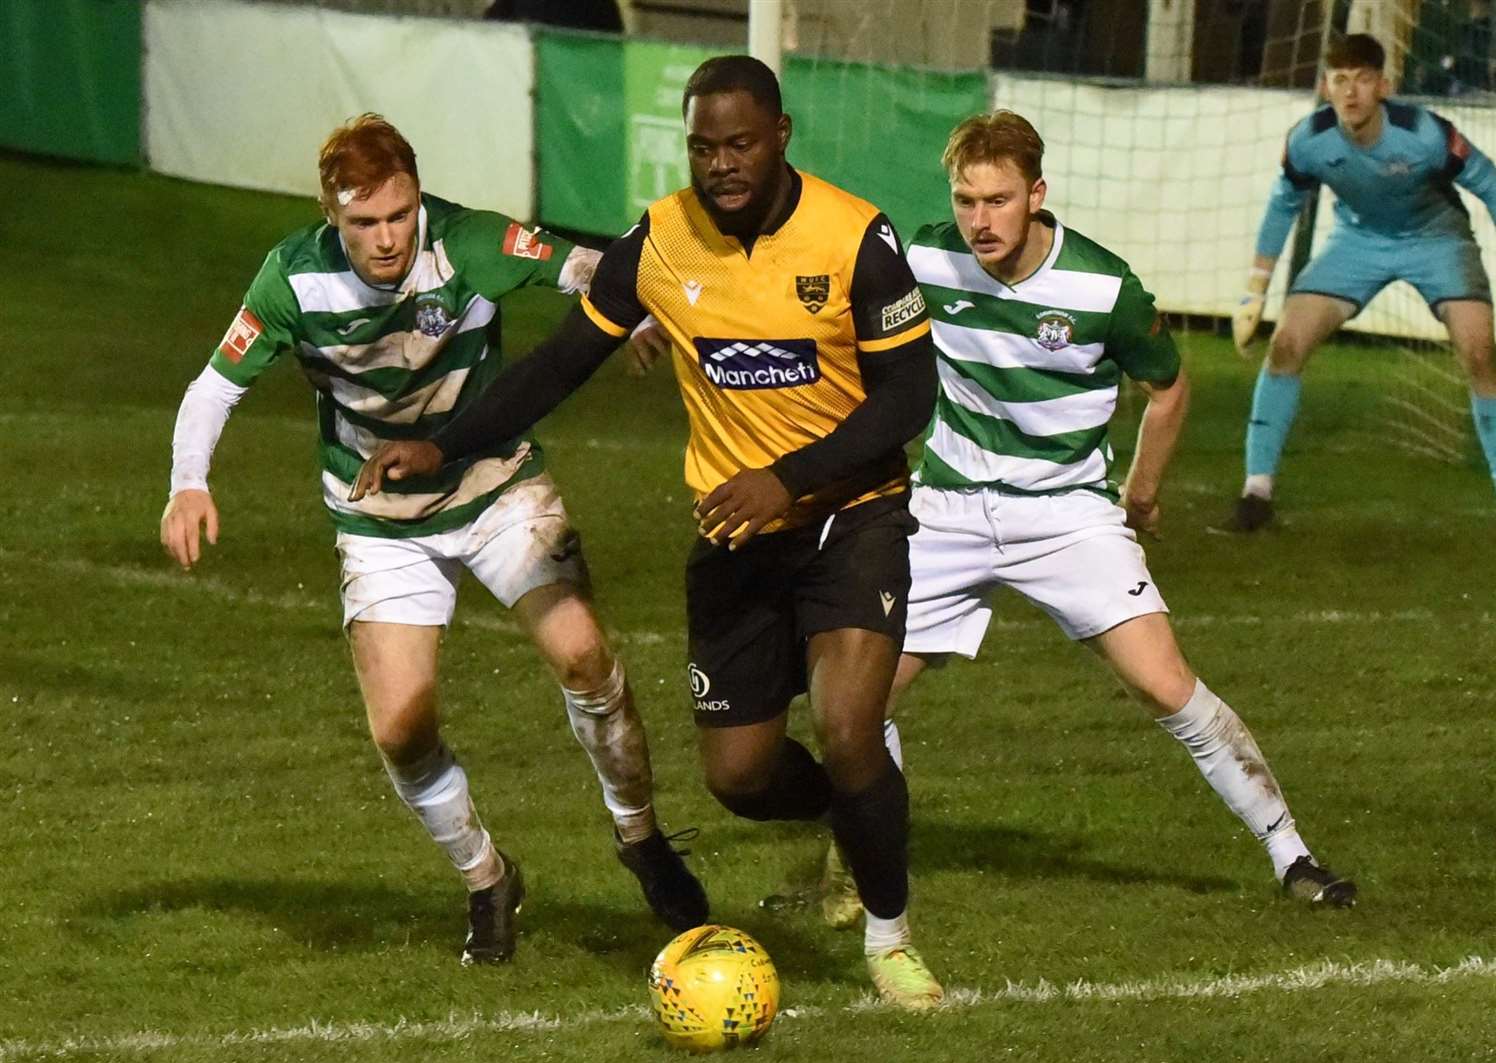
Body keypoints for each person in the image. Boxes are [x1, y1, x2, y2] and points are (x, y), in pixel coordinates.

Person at [352, 56, 946, 1010]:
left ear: (782, 134)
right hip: (735, 535)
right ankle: (860, 809)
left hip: (851, 517)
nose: (721, 165)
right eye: (703, 147)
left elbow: (909, 395)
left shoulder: (855, 239)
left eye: (740, 144)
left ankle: (890, 941)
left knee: (846, 726)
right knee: (741, 778)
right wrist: (446, 446)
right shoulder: (661, 241)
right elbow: (560, 362)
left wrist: (788, 477)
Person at [158, 113, 706, 966]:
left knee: (587, 661)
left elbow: (588, 269)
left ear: (420, 199)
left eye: (400, 215)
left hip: (497, 486)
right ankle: (487, 877)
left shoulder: (470, 241)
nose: (386, 238)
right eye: (363, 223)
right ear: (330, 218)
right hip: (380, 518)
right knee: (402, 731)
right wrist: (187, 482)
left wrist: (635, 320)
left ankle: (639, 836)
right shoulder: (292, 281)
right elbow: (213, 386)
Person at [813, 108, 1357, 930]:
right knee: (857, 707)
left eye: (997, 200)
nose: (979, 220)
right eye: (965, 199)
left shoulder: (1106, 288)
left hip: (1067, 516)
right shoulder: (925, 257)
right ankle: (858, 873)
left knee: (1164, 684)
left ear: (1037, 194)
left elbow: (1169, 387)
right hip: (948, 511)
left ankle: (1292, 854)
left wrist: (1140, 494)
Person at [1229, 32, 1496, 531]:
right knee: (1287, 344)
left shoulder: (1426, 134)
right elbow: (1283, 204)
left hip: (1439, 240)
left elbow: (1489, 184)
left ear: (1384, 86)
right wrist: (1255, 289)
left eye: (1363, 80)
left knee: (1481, 351)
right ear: (1326, 87)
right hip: (1357, 242)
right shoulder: (1308, 140)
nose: (1351, 92)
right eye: (1341, 80)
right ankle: (1256, 492)